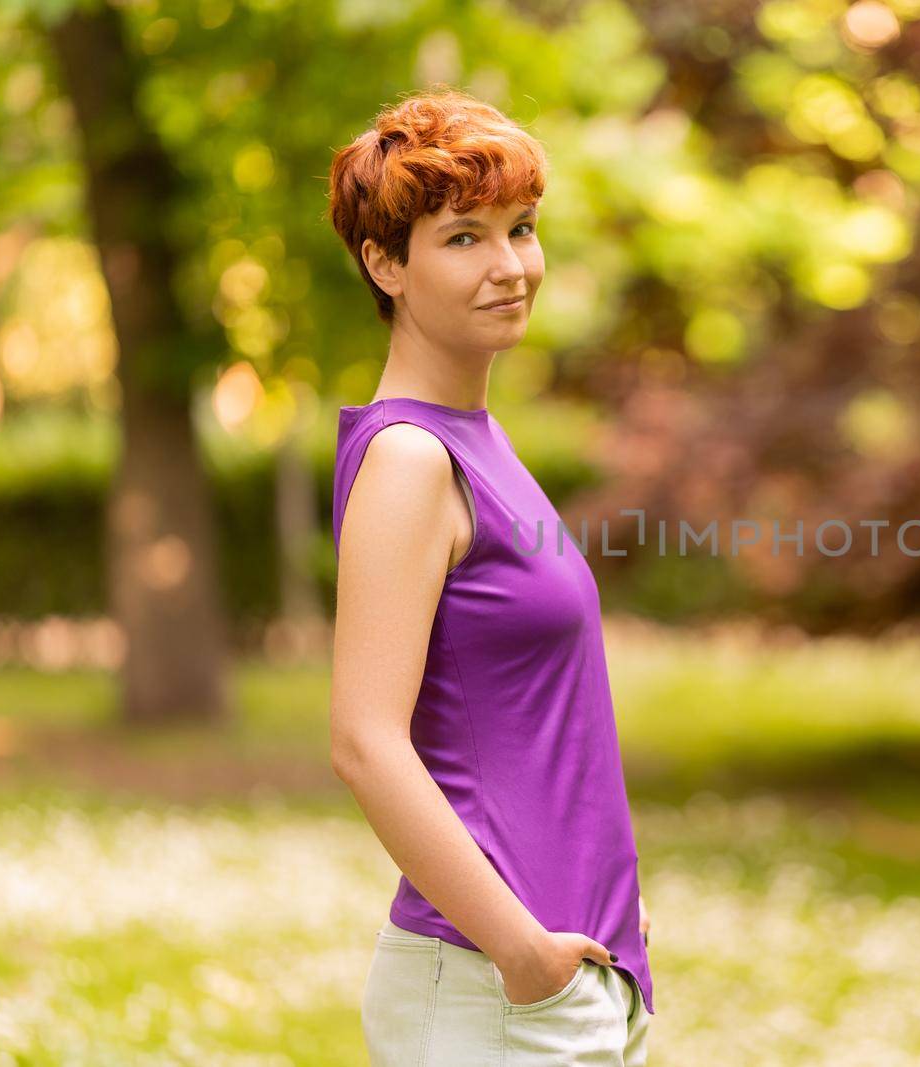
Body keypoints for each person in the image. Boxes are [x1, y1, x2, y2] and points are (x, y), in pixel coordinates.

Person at [325, 87, 653, 1065]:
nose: (511, 265)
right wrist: (519, 953)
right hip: (489, 987)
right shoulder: (412, 460)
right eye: (464, 237)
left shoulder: (479, 439)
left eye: (521, 228)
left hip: (561, 977)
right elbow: (363, 739)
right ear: (386, 263)